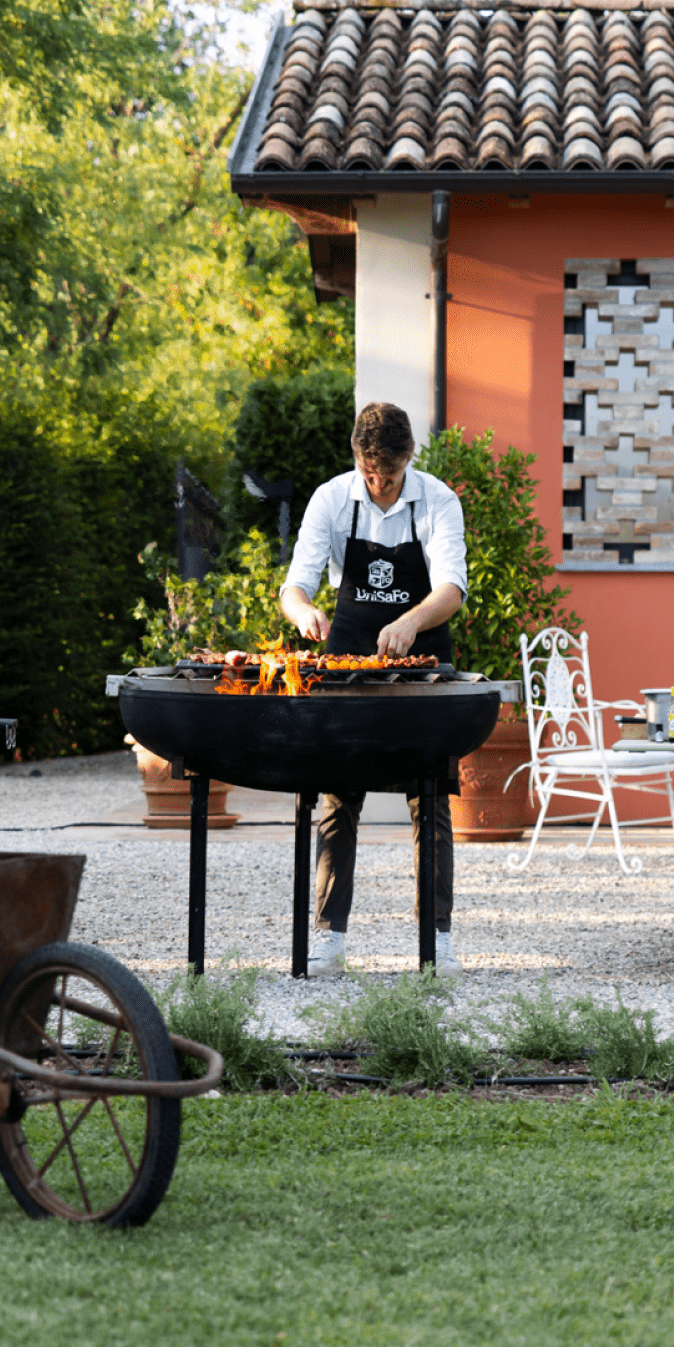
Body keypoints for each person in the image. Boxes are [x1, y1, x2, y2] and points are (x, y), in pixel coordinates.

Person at [280, 402, 467, 978]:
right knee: (338, 797)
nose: (378, 483)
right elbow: (295, 586)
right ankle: (328, 937)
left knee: (429, 798)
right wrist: (304, 612)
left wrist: (412, 620)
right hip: (349, 659)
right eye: (369, 472)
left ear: (408, 458)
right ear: (357, 459)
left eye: (388, 473)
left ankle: (436, 940)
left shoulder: (438, 500)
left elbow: (452, 588)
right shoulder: (332, 499)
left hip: (422, 660)